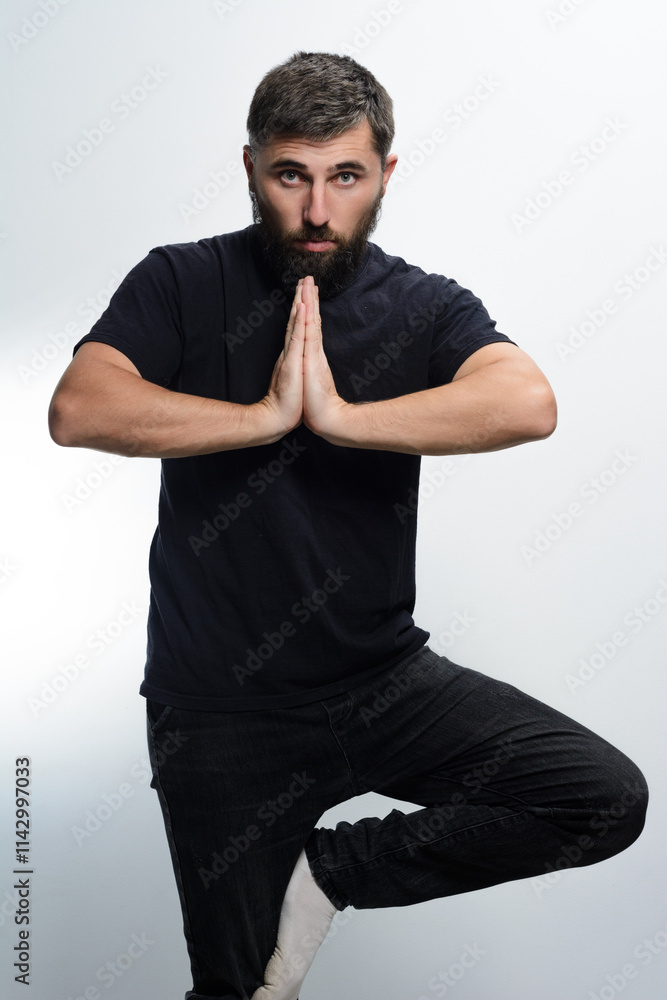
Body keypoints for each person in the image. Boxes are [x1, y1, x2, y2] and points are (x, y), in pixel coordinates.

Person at [48, 51, 648, 1000]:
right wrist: (262, 419)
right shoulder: (180, 281)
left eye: (346, 177)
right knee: (242, 992)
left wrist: (340, 419)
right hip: (220, 715)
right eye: (291, 175)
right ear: (251, 168)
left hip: (383, 684)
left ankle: (329, 875)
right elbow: (80, 407)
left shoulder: (423, 304)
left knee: (599, 796)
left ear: (385, 175)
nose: (318, 211)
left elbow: (527, 402)